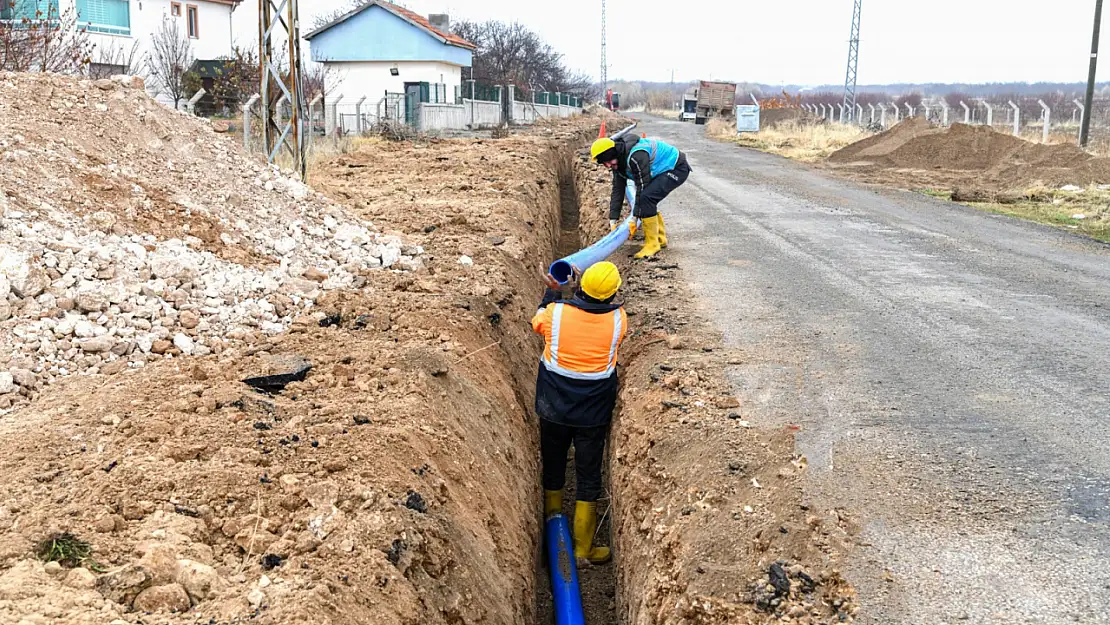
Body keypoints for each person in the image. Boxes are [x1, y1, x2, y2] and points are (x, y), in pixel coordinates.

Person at [532, 261, 628, 565]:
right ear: (613, 293)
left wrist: (554, 293)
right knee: (588, 474)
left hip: (554, 405)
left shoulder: (555, 313)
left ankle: (552, 534)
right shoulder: (619, 320)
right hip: (593, 411)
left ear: (581, 284)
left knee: (554, 463)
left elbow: (537, 323)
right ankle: (583, 548)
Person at [591, 134, 692, 259]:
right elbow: (618, 190)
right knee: (647, 198)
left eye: (608, 161)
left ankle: (652, 244)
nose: (608, 166)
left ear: (612, 154)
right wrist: (613, 219)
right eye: (605, 164)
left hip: (676, 168)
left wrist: (634, 218)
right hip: (663, 170)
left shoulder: (636, 156)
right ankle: (660, 238)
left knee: (646, 197)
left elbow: (642, 186)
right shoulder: (618, 162)